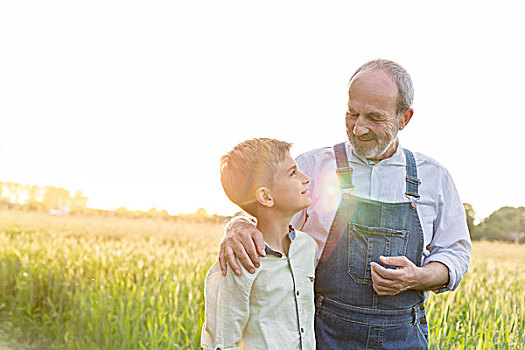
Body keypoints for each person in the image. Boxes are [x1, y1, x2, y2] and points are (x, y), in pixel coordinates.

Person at [218, 59, 472, 349]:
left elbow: (455, 254)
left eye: (374, 118)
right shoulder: (310, 167)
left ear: (404, 118)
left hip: (404, 336)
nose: (359, 128)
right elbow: (264, 210)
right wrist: (237, 224)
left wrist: (418, 277)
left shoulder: (434, 177)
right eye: (352, 114)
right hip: (326, 334)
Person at [201, 138, 318, 350]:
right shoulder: (239, 261)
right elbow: (222, 342)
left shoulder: (307, 247)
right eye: (293, 173)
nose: (306, 179)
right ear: (265, 196)